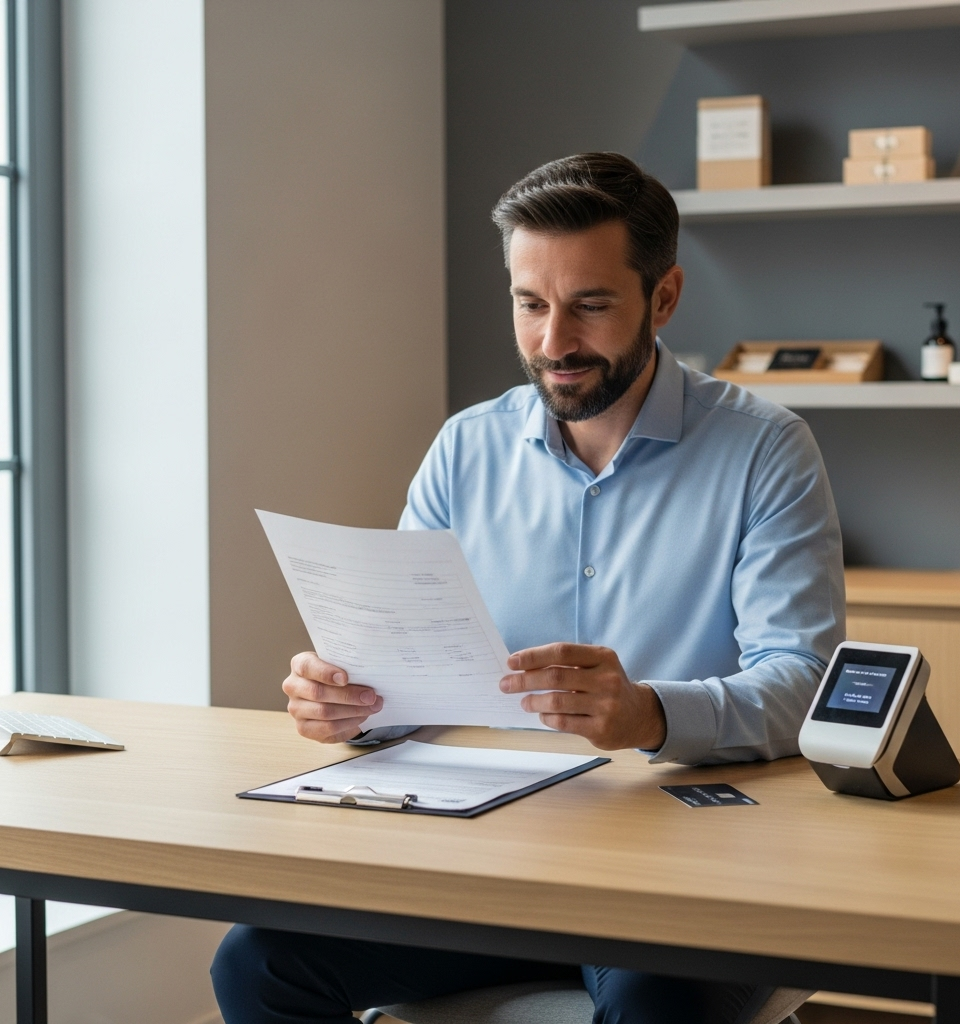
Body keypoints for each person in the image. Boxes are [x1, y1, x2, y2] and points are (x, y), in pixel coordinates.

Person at [211, 152, 845, 1024]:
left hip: (676, 867)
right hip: (486, 854)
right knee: (257, 965)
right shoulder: (464, 449)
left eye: (589, 305)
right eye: (530, 303)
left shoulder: (765, 450)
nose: (553, 343)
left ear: (662, 299)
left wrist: (650, 715)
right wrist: (353, 700)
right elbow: (405, 661)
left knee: (658, 1007)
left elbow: (803, 681)